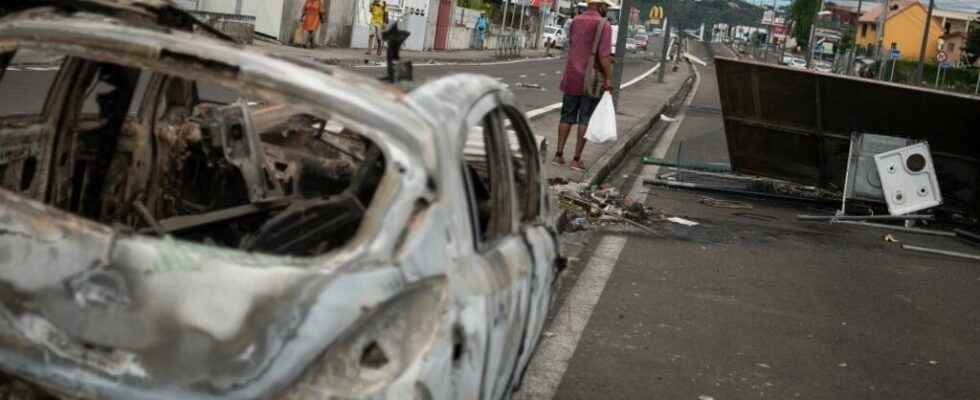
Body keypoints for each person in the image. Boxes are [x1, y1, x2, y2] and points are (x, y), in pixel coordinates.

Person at [553, 0, 614, 171]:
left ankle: (558, 155)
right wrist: (609, 78)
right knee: (585, 118)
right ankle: (576, 159)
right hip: (591, 80)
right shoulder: (604, 25)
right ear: (600, 6)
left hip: (571, 76)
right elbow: (604, 56)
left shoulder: (575, 21)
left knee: (566, 116)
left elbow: (572, 45)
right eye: (606, 6)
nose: (607, 9)